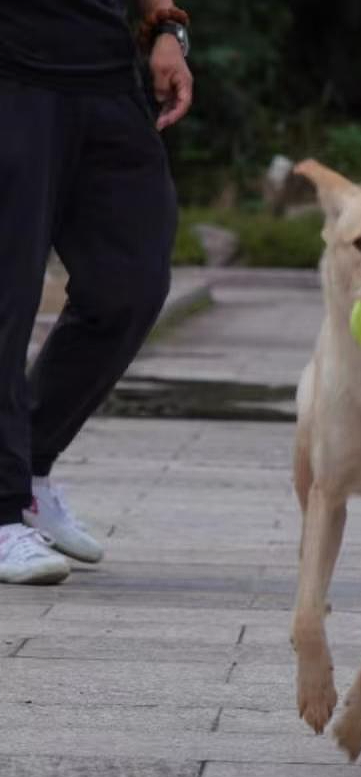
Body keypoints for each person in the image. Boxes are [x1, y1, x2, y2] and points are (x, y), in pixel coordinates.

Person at [0, 1, 193, 584]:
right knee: (8, 298)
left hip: (106, 78)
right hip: (13, 75)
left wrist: (167, 30)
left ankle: (28, 469)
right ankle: (3, 509)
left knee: (129, 284)